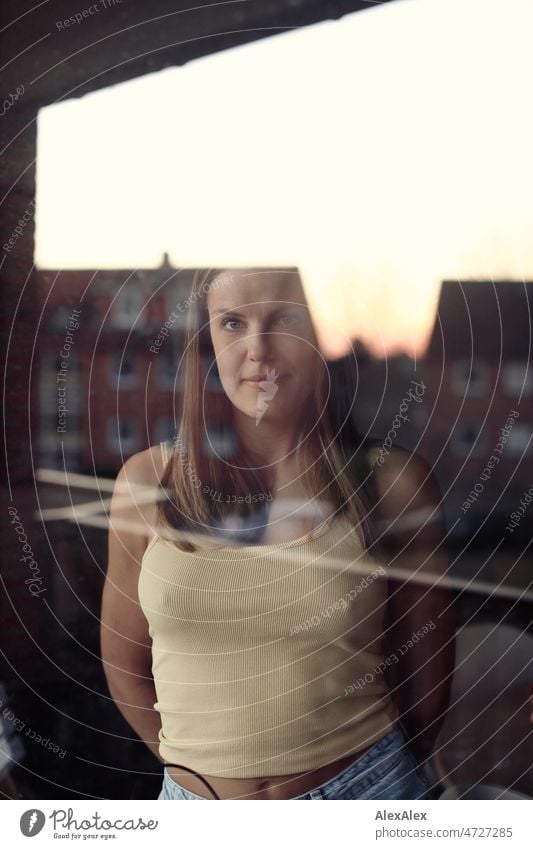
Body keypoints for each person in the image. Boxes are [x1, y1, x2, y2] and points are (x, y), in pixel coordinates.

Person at [100, 267, 456, 800]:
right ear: (207, 343)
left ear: (320, 334)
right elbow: (124, 665)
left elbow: (427, 668)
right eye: (233, 323)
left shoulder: (390, 485)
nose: (259, 349)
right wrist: (199, 784)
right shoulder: (148, 484)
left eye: (284, 319)